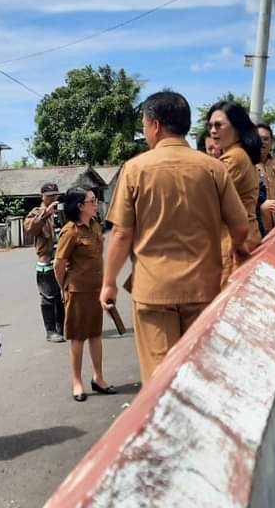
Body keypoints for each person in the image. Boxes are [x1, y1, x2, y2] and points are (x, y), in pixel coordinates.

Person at [102, 91, 251, 383]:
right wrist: (236, 247)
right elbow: (241, 226)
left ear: (156, 125)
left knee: (161, 381)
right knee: (200, 374)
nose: (145, 132)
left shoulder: (135, 169)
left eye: (144, 125)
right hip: (203, 287)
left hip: (154, 292)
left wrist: (109, 283)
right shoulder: (213, 168)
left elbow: (121, 233)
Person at [54, 187, 116, 402]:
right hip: (77, 291)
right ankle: (77, 382)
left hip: (96, 290)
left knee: (96, 335)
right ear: (80, 206)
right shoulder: (70, 231)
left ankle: (98, 378)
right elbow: (59, 264)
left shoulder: (95, 226)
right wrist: (65, 287)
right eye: (91, 200)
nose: (95, 203)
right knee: (78, 338)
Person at [207, 100, 264, 286]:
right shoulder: (238, 155)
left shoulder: (234, 158)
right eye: (210, 126)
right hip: (241, 237)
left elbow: (206, 198)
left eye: (219, 125)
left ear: (237, 128)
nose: (213, 131)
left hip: (233, 243)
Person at [24, 183, 66, 343]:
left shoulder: (62, 212)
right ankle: (51, 331)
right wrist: (45, 214)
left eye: (55, 195)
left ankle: (62, 327)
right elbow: (30, 229)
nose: (53, 198)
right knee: (49, 296)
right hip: (46, 261)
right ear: (42, 196)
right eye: (49, 196)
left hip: (63, 259)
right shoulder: (36, 213)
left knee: (64, 297)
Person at [255, 123, 275, 236]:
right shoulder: (246, 165)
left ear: (271, 142)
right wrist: (261, 206)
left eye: (266, 139)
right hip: (257, 229)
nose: (262, 143)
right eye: (259, 139)